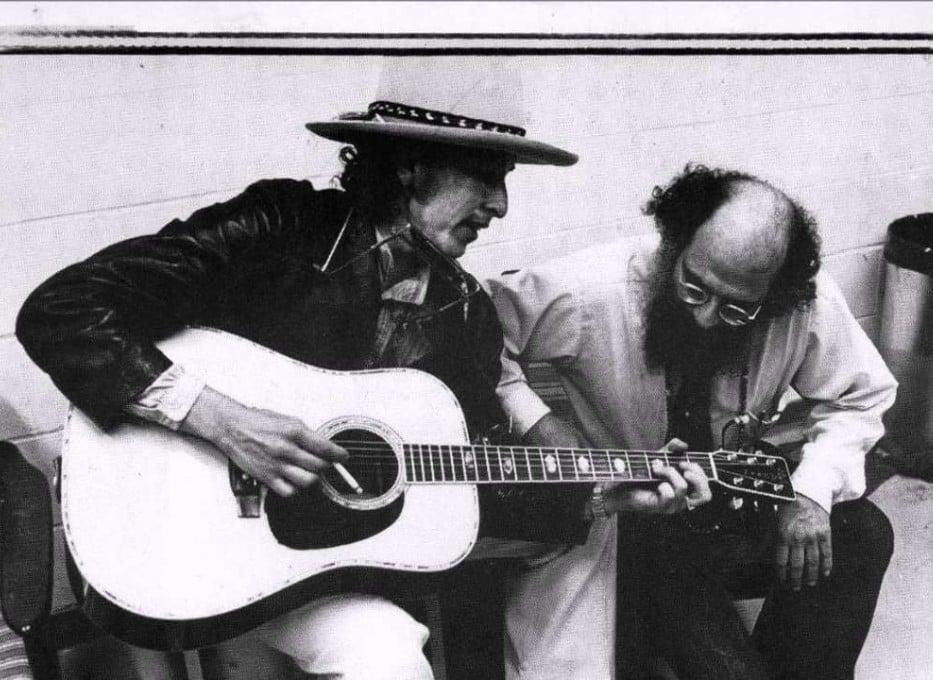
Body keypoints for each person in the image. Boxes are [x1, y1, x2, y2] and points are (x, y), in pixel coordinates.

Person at [15, 60, 710, 680]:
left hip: (310, 579)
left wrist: (600, 495)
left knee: (387, 657)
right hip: (173, 546)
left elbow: (460, 487)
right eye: (488, 176)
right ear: (410, 164)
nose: (500, 206)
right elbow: (63, 311)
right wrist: (224, 421)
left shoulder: (465, 315)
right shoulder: (280, 227)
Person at [490, 164, 898, 680]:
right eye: (694, 288)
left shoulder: (802, 300)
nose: (705, 317)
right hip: (637, 522)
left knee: (862, 533)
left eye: (736, 309)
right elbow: (475, 334)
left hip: (732, 500)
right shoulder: (592, 287)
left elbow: (862, 396)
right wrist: (541, 424)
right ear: (673, 245)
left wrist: (812, 492)